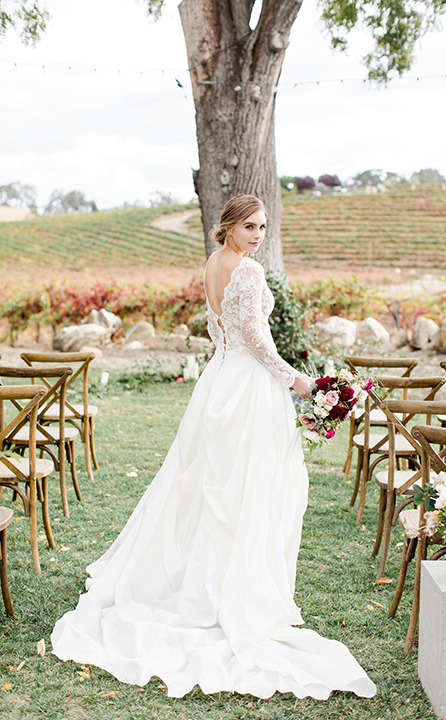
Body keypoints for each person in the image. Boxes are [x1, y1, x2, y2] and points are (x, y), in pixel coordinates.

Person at [51, 194, 376, 700]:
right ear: (228, 225)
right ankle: (228, 588)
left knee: (210, 483)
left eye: (264, 227)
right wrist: (304, 384)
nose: (258, 235)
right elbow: (258, 341)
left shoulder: (213, 263)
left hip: (218, 382)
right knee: (243, 485)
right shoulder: (246, 273)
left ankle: (202, 578)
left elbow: (221, 331)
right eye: (250, 226)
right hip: (246, 388)